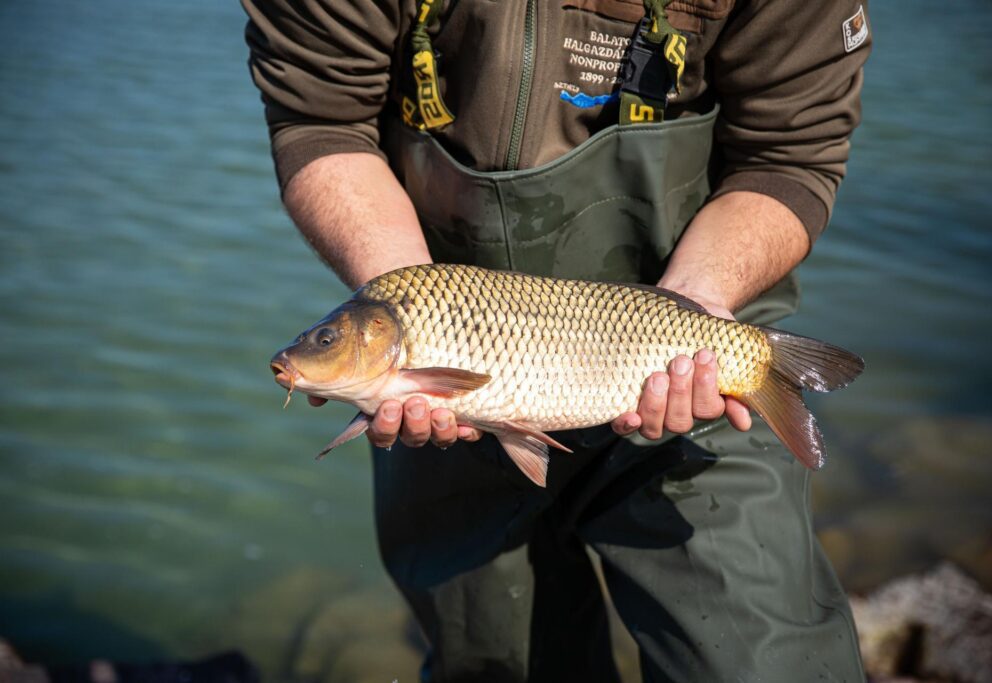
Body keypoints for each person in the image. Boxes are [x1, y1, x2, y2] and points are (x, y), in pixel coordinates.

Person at [243, 1, 872, 680]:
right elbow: (320, 115)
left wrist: (698, 300)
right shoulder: (407, 327)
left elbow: (791, 153)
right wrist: (401, 286)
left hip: (695, 304)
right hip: (434, 294)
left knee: (761, 662)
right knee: (502, 664)